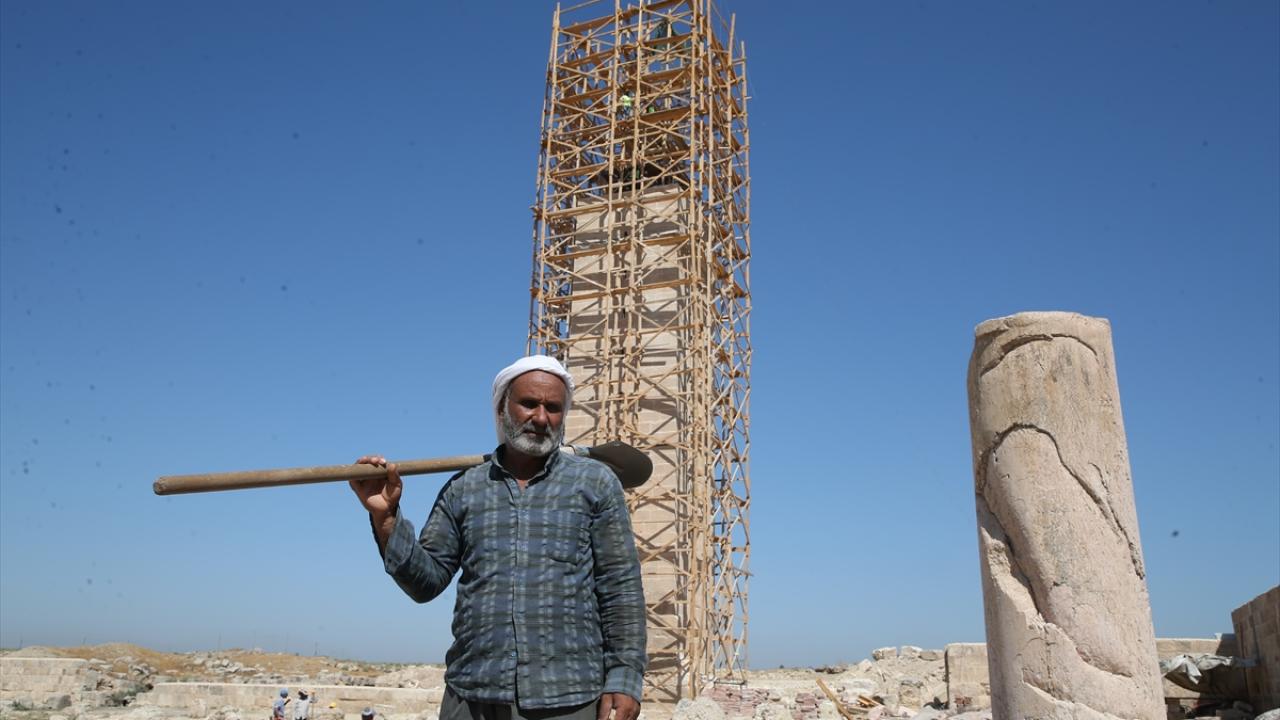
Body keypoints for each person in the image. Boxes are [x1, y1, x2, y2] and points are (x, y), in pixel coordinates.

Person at [349, 355, 646, 720]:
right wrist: (386, 516)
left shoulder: (595, 483)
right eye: (529, 404)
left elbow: (621, 588)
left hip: (569, 698)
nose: (541, 418)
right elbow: (425, 584)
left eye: (553, 408)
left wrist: (625, 676)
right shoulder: (464, 488)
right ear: (503, 407)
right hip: (471, 695)